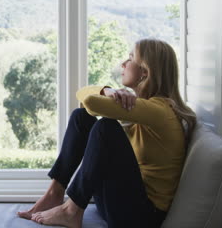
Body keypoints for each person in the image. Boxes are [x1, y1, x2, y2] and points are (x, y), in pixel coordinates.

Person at [17, 38, 197, 228]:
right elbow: (83, 97)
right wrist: (108, 90)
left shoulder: (159, 110)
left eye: (130, 58)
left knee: (106, 128)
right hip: (119, 203)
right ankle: (55, 193)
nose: (124, 64)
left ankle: (71, 210)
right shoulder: (144, 107)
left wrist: (106, 94)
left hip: (142, 216)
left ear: (145, 72)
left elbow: (92, 103)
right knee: (82, 117)